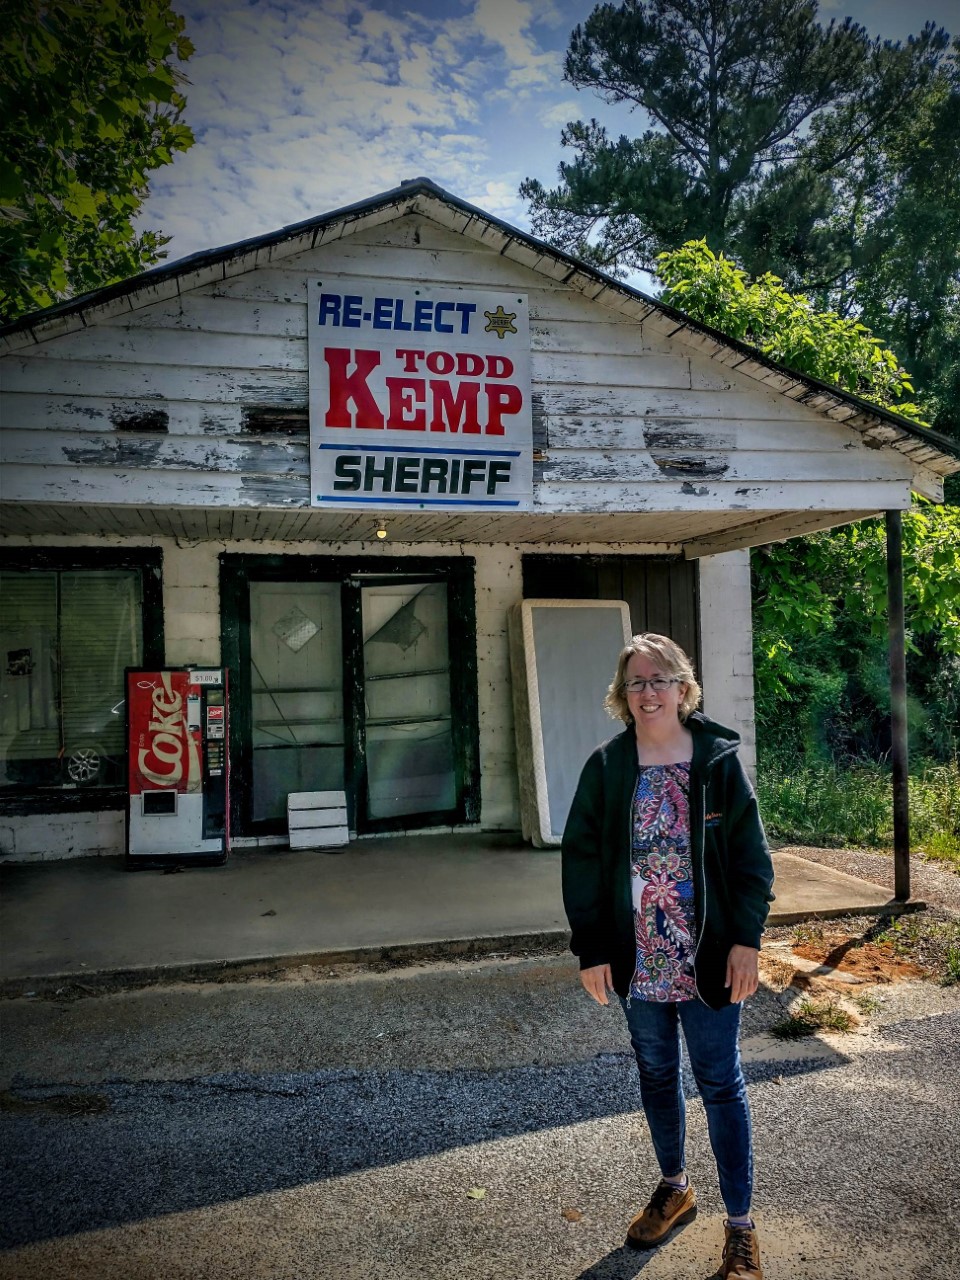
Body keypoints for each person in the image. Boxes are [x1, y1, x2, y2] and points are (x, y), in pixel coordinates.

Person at [561, 633, 775, 1280]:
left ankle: (740, 1227)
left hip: (707, 956)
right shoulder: (607, 767)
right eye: (636, 682)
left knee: (720, 1083)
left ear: (683, 688)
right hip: (640, 959)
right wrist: (591, 947)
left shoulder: (717, 762)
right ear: (622, 695)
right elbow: (581, 861)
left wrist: (747, 941)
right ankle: (675, 1188)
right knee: (656, 1075)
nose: (648, 692)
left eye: (660, 680)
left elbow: (751, 861)